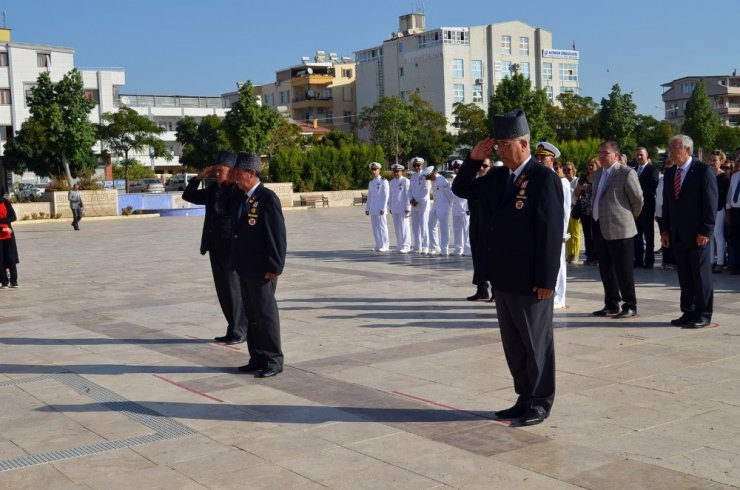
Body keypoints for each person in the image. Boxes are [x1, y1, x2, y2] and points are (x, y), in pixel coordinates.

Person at [452, 109, 564, 426]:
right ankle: (524, 397)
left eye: (505, 144)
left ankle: (540, 402)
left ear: (524, 144)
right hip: (503, 277)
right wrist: (474, 159)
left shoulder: (544, 179)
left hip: (531, 280)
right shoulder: (499, 177)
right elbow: (461, 189)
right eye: (497, 144)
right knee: (514, 346)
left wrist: (546, 279)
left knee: (536, 344)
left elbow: (550, 232)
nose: (500, 150)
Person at [182, 150, 248, 344]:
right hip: (214, 246)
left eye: (221, 170)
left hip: (231, 248)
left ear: (232, 171)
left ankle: (240, 330)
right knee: (223, 291)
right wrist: (200, 177)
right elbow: (188, 195)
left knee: (233, 290)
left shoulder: (237, 191)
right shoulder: (213, 190)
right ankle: (232, 328)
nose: (218, 174)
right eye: (216, 171)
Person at [231, 152, 287, 377]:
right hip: (245, 268)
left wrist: (275, 267)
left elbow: (277, 236)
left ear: (251, 173)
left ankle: (273, 359)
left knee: (265, 315)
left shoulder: (267, 198)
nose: (235, 178)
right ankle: (257, 357)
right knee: (251, 315)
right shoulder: (243, 198)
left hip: (263, 269)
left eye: (238, 173)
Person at [662, 135, 718, 328]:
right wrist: (665, 230)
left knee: (701, 275)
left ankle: (703, 313)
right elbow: (668, 204)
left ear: (687, 150)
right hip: (677, 233)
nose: (671, 152)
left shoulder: (703, 171)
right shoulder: (670, 173)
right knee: (685, 275)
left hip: (698, 234)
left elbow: (711, 204)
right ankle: (688, 310)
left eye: (674, 148)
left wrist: (706, 230)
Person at [591, 141, 643, 319]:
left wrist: (627, 218)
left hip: (621, 229)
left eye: (605, 153)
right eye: (600, 152)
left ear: (616, 155)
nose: (601, 155)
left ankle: (630, 304)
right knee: (606, 268)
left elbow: (638, 200)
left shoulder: (626, 172)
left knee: (624, 269)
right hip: (600, 227)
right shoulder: (598, 174)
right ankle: (611, 303)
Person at [466, 159, 492, 301]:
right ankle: (481, 289)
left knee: (490, 257)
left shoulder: (494, 183)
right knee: (476, 254)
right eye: (480, 166)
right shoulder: (474, 181)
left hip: (488, 223)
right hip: (475, 221)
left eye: (485, 166)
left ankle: (496, 290)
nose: (482, 168)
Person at [632, 147, 660, 268]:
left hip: (647, 207)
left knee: (649, 235)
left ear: (646, 155)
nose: (639, 157)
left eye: (641, 155)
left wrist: (639, 196)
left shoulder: (653, 169)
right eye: (637, 155)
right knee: (636, 235)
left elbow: (652, 188)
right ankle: (638, 259)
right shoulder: (634, 170)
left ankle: (649, 260)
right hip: (635, 209)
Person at [708, 150, 730, 273]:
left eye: (715, 160)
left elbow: (725, 195)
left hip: (719, 209)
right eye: (710, 160)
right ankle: (710, 261)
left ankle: (720, 262)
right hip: (707, 210)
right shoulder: (707, 174)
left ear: (721, 161)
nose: (712, 162)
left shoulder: (724, 177)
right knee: (708, 236)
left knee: (719, 236)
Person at [425, 165, 453, 255]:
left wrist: (450, 205)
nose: (429, 179)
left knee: (444, 227)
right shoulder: (433, 180)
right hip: (436, 205)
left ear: (433, 173)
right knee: (431, 225)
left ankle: (444, 249)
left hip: (444, 206)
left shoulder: (441, 179)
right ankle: (434, 247)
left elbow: (449, 194)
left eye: (429, 177)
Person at [574, 158, 598, 265]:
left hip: (597, 211)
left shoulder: (600, 177)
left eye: (592, 165)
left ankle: (598, 256)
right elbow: (576, 193)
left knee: (597, 235)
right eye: (589, 165)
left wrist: (593, 187)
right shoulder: (583, 178)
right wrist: (582, 188)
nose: (590, 167)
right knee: (587, 235)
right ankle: (590, 257)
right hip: (585, 210)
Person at [656, 160, 676, 270]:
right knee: (663, 237)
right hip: (660, 213)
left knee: (673, 238)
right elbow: (658, 196)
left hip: (671, 214)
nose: (667, 170)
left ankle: (673, 261)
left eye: (670, 168)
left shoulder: (675, 180)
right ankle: (665, 260)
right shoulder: (661, 179)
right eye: (665, 168)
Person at [365, 162, 390, 252]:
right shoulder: (371, 183)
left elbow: (386, 195)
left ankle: (385, 245)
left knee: (382, 226)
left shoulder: (384, 181)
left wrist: (383, 208)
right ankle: (378, 244)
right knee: (375, 227)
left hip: (380, 209)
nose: (373, 171)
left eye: (375, 169)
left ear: (379, 170)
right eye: (372, 169)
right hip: (373, 208)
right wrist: (367, 208)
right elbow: (370, 196)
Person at [408, 157, 431, 254]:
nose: (416, 167)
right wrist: (411, 200)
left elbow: (426, 190)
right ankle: (417, 246)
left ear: (422, 165)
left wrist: (416, 200)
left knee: (424, 225)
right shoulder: (412, 177)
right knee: (415, 226)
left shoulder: (425, 175)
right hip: (414, 204)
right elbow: (409, 190)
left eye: (418, 165)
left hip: (423, 204)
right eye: (415, 165)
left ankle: (425, 246)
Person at [388, 163, 411, 253]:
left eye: (398, 171)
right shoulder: (392, 182)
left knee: (404, 226)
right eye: (395, 172)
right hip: (395, 207)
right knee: (397, 226)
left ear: (402, 172)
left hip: (403, 207)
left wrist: (408, 207)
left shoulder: (405, 181)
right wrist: (390, 206)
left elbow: (408, 195)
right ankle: (400, 244)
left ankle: (406, 245)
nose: (396, 173)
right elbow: (391, 195)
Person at [450, 160, 470, 256]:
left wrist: (468, 208)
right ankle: (458, 248)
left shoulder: (467, 178)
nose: (456, 169)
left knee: (466, 229)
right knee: (457, 228)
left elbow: (469, 195)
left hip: (465, 207)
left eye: (458, 167)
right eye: (455, 168)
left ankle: (468, 248)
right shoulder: (454, 179)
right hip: (456, 207)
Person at [563, 162, 581, 264]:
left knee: (575, 233)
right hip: (565, 210)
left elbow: (577, 195)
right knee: (567, 233)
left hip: (575, 209)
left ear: (573, 170)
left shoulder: (577, 181)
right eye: (564, 170)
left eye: (568, 170)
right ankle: (569, 253)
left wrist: (572, 205)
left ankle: (575, 254)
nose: (566, 172)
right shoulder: (563, 181)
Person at [0, 193, 19, 288]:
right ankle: (4, 281)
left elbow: (13, 217)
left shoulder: (6, 202)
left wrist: (2, 222)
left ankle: (14, 281)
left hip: (8, 234)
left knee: (11, 258)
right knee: (0, 259)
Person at [727, 159, 740, 274]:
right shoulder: (734, 177)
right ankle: (736, 264)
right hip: (735, 211)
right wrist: (728, 208)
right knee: (736, 239)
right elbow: (730, 193)